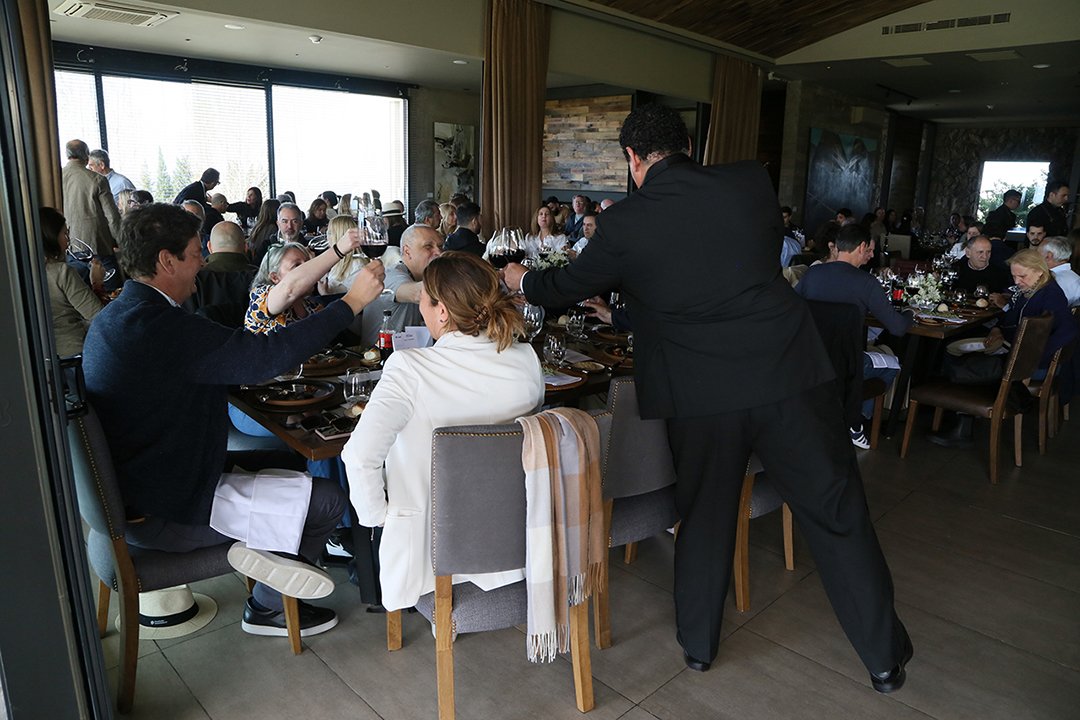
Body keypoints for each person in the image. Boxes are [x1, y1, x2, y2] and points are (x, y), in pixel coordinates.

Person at [502, 104, 912, 692]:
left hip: (700, 393)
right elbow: (738, 262)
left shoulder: (625, 222)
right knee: (837, 513)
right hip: (788, 375)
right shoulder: (749, 183)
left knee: (705, 515)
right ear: (689, 147)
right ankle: (884, 661)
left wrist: (521, 279)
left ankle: (699, 646)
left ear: (632, 159)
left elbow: (566, 286)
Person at [83, 202, 385, 638]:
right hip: (167, 509)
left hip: (143, 485)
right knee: (327, 500)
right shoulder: (161, 327)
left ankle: (269, 549)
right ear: (167, 261)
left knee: (294, 464)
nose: (203, 262)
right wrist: (352, 302)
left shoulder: (117, 316)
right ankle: (268, 608)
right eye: (195, 254)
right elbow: (261, 358)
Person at [341, 251, 543, 612]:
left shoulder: (409, 368)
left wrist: (381, 519)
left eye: (423, 299)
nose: (420, 307)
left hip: (428, 555)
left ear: (443, 311)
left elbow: (359, 456)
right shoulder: (526, 359)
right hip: (514, 542)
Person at [932, 249, 1079, 447]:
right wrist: (998, 328)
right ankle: (955, 412)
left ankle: (960, 422)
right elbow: (1012, 316)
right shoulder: (1033, 289)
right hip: (1016, 353)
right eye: (1014, 276)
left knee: (966, 362)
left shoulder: (1050, 294)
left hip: (1031, 366)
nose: (1017, 281)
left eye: (1022, 276)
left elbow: (1069, 329)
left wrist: (1034, 356)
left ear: (1040, 271)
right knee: (958, 351)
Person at [795, 224, 914, 447]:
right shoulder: (866, 283)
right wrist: (910, 313)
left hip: (810, 363)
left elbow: (792, 309)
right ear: (861, 247)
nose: (871, 255)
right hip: (848, 366)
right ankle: (855, 422)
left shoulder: (812, 274)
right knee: (892, 365)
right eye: (869, 250)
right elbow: (898, 328)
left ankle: (844, 415)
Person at [244, 226, 362, 334]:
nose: (308, 272)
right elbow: (288, 290)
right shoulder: (260, 298)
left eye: (308, 263)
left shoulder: (312, 306)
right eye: (297, 266)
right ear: (275, 277)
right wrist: (339, 250)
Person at [39, 206, 105, 356]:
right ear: (51, 236)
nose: (68, 239)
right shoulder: (62, 272)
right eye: (65, 233)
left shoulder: (22, 272)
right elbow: (99, 318)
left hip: (43, 355)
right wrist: (97, 282)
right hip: (74, 353)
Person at [62, 139, 122, 263]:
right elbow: (111, 216)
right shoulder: (97, 179)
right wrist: (121, 242)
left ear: (67, 155)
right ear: (87, 155)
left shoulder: (55, 178)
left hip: (67, 248)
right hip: (97, 246)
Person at [1041, 236, 1080, 307]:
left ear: (1048, 256)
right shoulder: (1073, 278)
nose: (1034, 256)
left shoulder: (1057, 282)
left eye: (1037, 253)